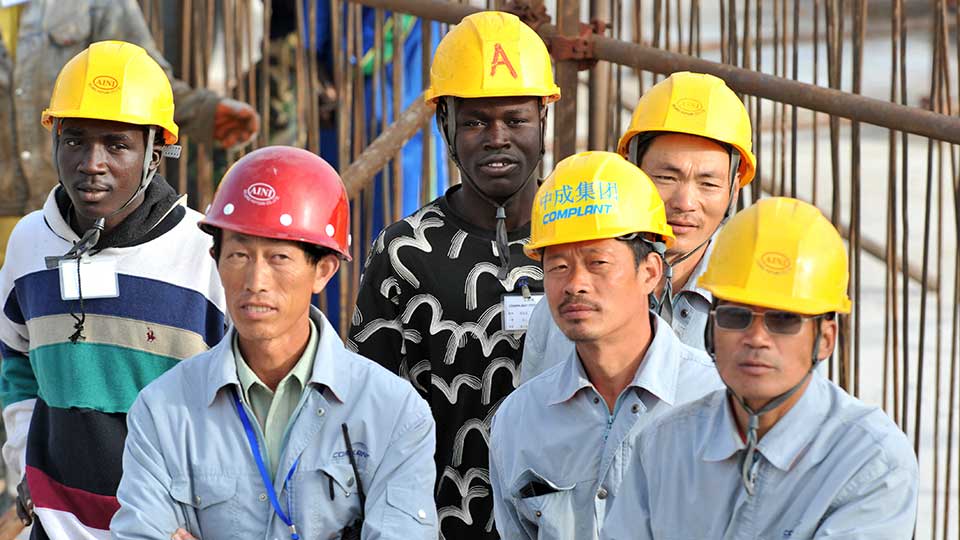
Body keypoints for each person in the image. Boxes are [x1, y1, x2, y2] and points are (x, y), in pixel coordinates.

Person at [111, 146, 438, 540]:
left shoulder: (393, 412)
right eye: (238, 255)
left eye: (279, 257)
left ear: (323, 271)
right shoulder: (162, 411)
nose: (256, 281)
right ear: (215, 261)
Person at [0, 41, 227, 538]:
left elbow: (237, 401)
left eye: (117, 144)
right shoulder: (28, 243)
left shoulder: (203, 253)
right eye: (75, 139)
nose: (91, 162)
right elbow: (15, 361)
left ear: (155, 151)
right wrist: (24, 464)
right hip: (56, 524)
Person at [347, 11, 559, 539]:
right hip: (435, 524)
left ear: (543, 120)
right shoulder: (405, 253)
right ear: (445, 125)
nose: (496, 138)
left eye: (515, 119)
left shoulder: (580, 245)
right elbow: (366, 413)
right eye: (474, 121)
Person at [601, 197, 919, 540]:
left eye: (783, 320)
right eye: (735, 316)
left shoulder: (869, 459)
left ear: (826, 338)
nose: (756, 338)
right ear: (711, 330)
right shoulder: (664, 446)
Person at [489, 151, 723, 540]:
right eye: (558, 266)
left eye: (597, 263)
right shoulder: (519, 420)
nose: (575, 283)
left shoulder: (716, 405)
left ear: (650, 272)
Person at [521, 71, 756, 382]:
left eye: (708, 183)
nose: (685, 202)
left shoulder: (756, 306)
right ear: (632, 172)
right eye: (666, 178)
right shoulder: (564, 305)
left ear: (734, 190)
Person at [0, 0, 260, 268]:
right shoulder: (25, 239)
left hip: (72, 216)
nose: (94, 163)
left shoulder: (96, 4)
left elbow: (141, 79)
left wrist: (204, 112)